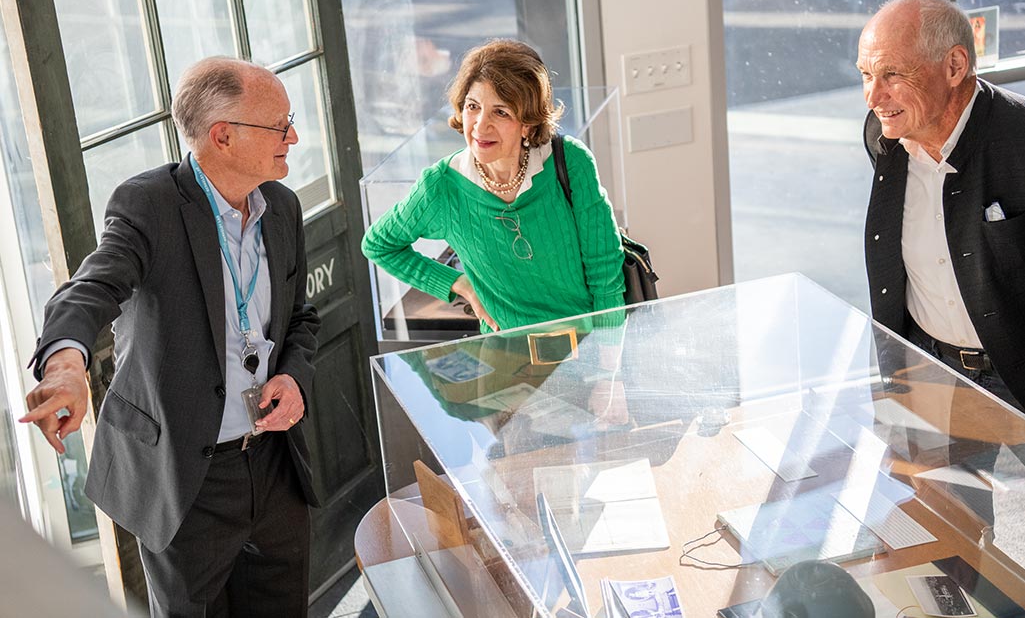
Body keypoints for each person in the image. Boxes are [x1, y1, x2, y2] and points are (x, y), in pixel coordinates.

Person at [20, 57, 321, 616]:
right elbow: (89, 289)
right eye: (281, 126)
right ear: (223, 135)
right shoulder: (149, 205)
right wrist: (64, 367)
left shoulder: (281, 205)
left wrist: (296, 378)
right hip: (187, 479)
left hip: (274, 467)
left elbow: (301, 318)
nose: (294, 137)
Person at [361, 38, 625, 334]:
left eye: (500, 112)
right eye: (472, 106)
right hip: (508, 364)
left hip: (587, 352)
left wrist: (609, 360)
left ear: (528, 123)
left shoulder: (571, 162)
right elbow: (378, 244)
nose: (479, 126)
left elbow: (605, 267)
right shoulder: (442, 186)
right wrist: (459, 285)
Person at [858, 0, 1025, 410]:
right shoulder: (884, 134)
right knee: (929, 479)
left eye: (892, 74)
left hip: (1016, 380)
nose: (874, 98)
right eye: (865, 75)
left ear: (954, 66)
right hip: (928, 369)